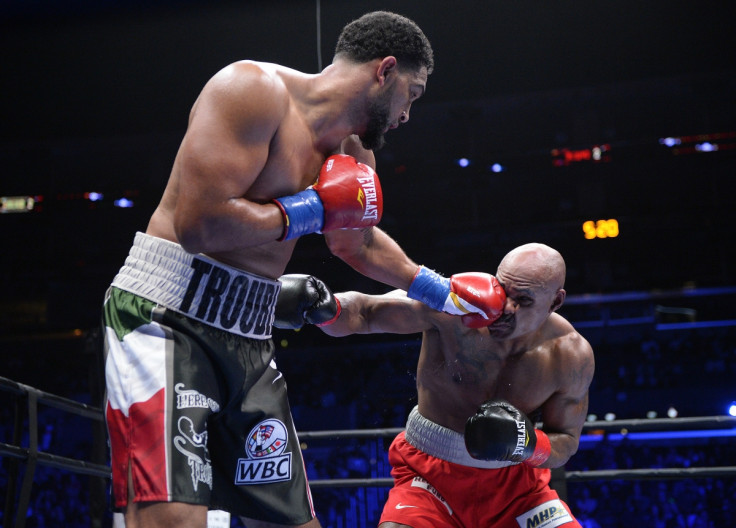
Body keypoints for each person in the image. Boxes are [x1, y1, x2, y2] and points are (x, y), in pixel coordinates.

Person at [101, 10, 457, 528]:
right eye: (413, 93)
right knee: (172, 519)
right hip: (165, 317)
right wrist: (311, 206)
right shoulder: (250, 89)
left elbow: (356, 245)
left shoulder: (354, 153)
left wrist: (440, 291)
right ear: (385, 71)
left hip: (248, 334)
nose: (409, 112)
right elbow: (200, 224)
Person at [276, 243, 595, 527]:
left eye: (523, 300)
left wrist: (528, 443)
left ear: (555, 301)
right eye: (503, 289)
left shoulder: (570, 355)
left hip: (518, 489)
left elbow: (566, 442)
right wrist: (326, 307)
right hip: (428, 477)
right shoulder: (455, 305)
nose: (505, 308)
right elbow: (368, 312)